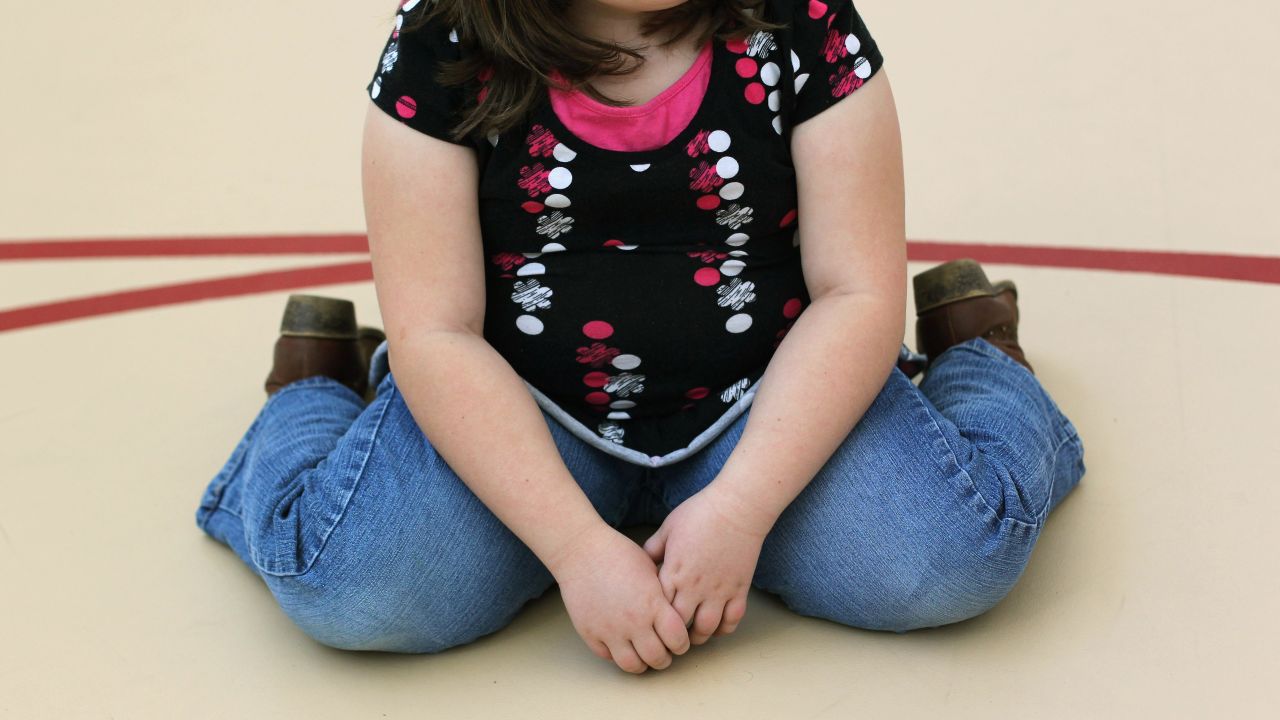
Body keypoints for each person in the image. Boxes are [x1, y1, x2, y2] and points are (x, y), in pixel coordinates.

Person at [195, 0, 1086, 675]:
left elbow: (855, 294)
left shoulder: (799, 23)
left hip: (766, 405)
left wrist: (740, 508)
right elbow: (438, 330)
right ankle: (312, 396)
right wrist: (576, 550)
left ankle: (980, 362)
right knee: (350, 587)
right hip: (524, 414)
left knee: (951, 557)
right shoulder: (446, 35)